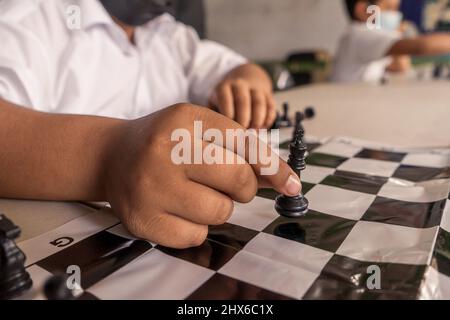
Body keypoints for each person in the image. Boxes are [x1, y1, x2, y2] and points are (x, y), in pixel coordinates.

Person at [0, 0, 302, 248]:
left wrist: (247, 81)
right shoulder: (30, 17)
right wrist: (110, 157)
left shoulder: (170, 34)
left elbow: (239, 68)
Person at [332, 0, 450, 83]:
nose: (396, 15)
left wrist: (395, 34)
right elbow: (423, 46)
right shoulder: (360, 34)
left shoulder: (370, 39)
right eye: (389, 8)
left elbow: (401, 67)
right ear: (364, 10)